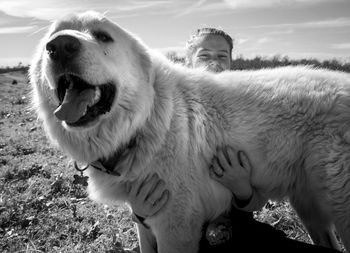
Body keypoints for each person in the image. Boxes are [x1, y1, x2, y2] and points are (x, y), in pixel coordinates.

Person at [124, 28, 341, 253]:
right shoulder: (166, 115)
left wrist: (242, 186)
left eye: (222, 56)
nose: (214, 62)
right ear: (188, 62)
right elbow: (142, 193)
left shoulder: (252, 114)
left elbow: (259, 200)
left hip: (241, 237)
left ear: (231, 62)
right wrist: (139, 213)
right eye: (204, 55)